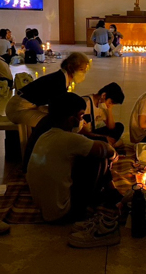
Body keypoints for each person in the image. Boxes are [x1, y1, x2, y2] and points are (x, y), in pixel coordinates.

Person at [26, 93, 121, 232]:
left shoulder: (45, 136)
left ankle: (110, 192)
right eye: (81, 116)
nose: (82, 121)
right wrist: (113, 156)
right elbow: (105, 149)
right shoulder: (69, 139)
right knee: (97, 156)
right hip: (64, 214)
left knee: (87, 153)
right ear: (71, 120)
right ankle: (112, 193)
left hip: (45, 210)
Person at [7, 52, 90, 128]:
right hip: (18, 108)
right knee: (54, 122)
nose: (84, 73)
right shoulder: (59, 80)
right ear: (70, 67)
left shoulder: (63, 78)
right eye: (81, 69)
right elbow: (57, 108)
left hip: (31, 105)